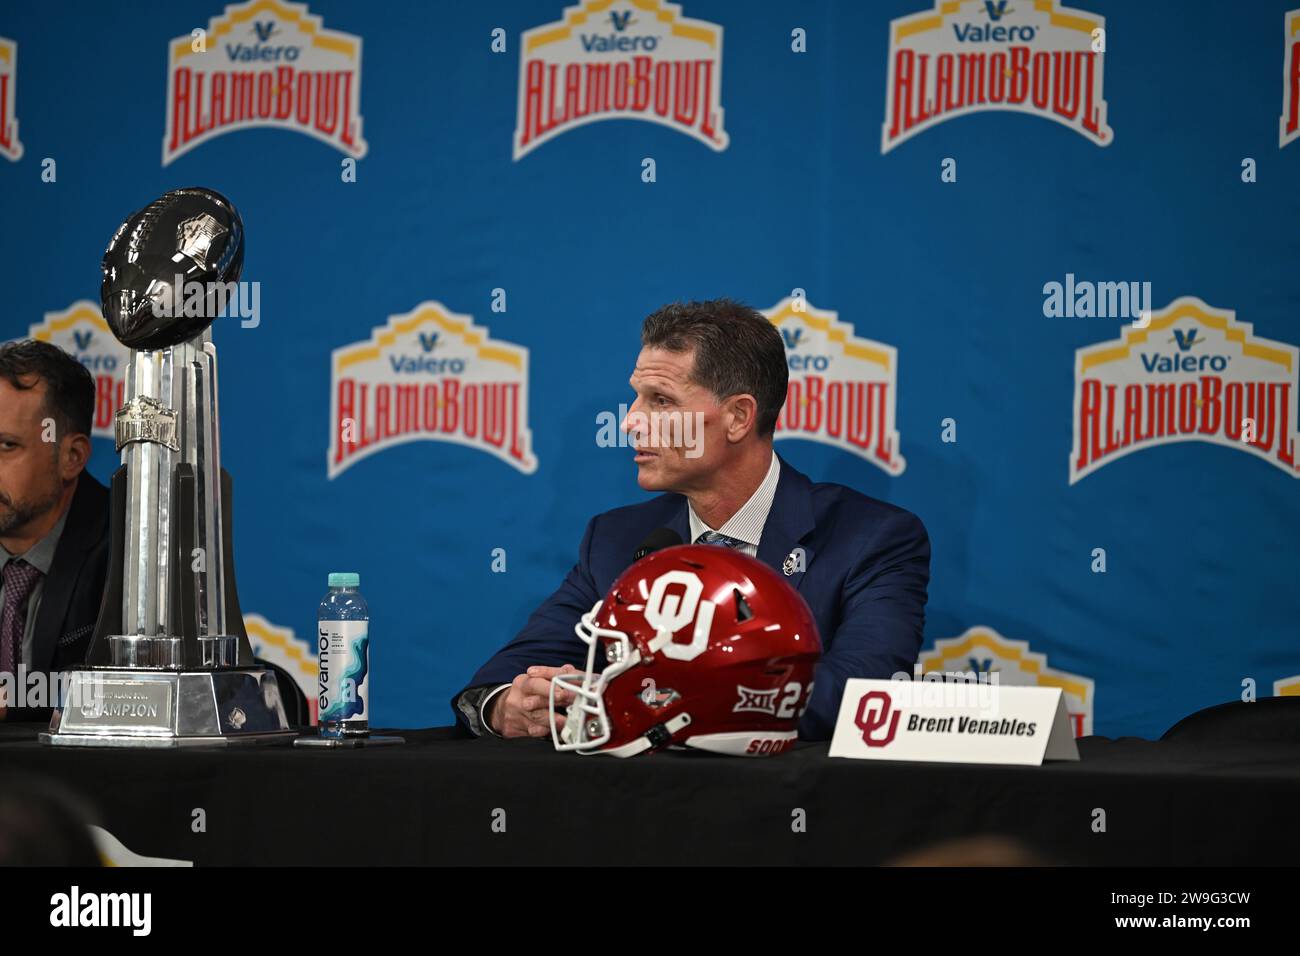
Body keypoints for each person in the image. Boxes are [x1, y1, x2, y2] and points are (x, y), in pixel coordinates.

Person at [452, 299, 930, 741]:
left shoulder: (871, 538)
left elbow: (863, 695)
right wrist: (505, 706)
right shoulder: (616, 539)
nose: (630, 422)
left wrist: (652, 699)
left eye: (661, 401)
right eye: (636, 398)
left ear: (739, 417)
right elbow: (498, 680)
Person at [0, 340, 110, 721]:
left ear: (72, 457)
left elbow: (129, 694)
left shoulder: (130, 552)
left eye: (6, 445)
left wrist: (13, 699)